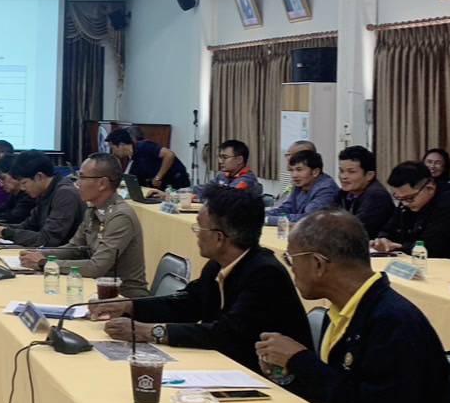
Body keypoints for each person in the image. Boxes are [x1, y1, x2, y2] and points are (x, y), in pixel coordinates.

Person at [256, 211, 450, 403]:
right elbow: (337, 390)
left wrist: (300, 361)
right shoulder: (342, 310)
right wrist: (287, 372)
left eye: (291, 260)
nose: (291, 270)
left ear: (317, 264)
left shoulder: (395, 324)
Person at [96, 186, 311, 371]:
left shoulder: (265, 275)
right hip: (229, 367)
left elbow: (227, 335)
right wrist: (129, 306)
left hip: (270, 379)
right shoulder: (217, 265)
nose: (196, 233)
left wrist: (149, 331)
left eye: (199, 227)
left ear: (219, 238)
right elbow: (186, 304)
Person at [17, 154, 149, 296]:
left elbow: (96, 267)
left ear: (102, 183)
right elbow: (74, 249)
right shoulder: (92, 211)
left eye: (82, 177)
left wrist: (45, 263)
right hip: (95, 289)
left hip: (123, 297)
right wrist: (39, 254)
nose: (77, 183)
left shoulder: (120, 217)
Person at [372, 162, 450, 269]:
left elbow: (430, 247)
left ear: (430, 188)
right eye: (399, 198)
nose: (405, 203)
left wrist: (395, 247)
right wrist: (383, 240)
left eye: (409, 198)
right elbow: (390, 228)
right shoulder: (407, 200)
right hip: (423, 265)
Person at [0, 151, 83, 248]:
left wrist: (3, 232)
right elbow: (28, 226)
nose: (22, 188)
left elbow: (48, 240)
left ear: (39, 177)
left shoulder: (65, 194)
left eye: (24, 183)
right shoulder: (44, 192)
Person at [265, 149, 339, 223]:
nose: (294, 175)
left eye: (299, 170)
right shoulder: (300, 183)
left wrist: (268, 220)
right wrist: (262, 215)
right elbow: (287, 208)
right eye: (292, 170)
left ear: (315, 172)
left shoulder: (326, 189)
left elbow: (309, 219)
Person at [337, 146, 394, 240]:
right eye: (341, 171)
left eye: (351, 172)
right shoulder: (343, 193)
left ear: (369, 175)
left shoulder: (377, 196)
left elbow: (356, 231)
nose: (343, 177)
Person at [196, 139, 262, 199]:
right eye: (220, 157)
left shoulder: (247, 180)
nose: (220, 161)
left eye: (225, 157)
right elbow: (202, 189)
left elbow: (227, 198)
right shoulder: (222, 175)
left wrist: (206, 194)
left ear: (239, 160)